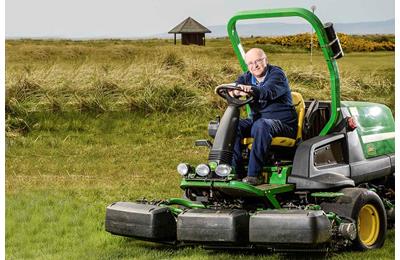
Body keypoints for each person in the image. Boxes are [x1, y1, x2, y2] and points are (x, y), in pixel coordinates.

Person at [231, 48, 298, 185]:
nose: (254, 66)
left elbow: (267, 92)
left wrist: (249, 90)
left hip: (283, 124)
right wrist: (233, 91)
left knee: (261, 125)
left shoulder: (277, 74)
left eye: (258, 61)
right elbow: (235, 86)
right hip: (257, 122)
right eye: (250, 63)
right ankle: (235, 172)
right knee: (233, 125)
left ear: (265, 60)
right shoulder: (247, 77)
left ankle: (254, 175)